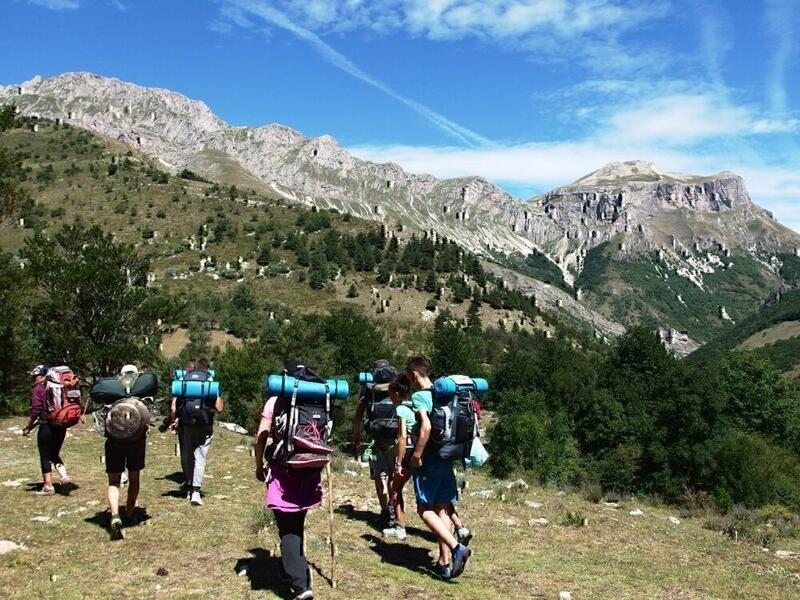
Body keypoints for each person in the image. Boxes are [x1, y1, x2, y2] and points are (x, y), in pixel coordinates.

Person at [255, 360, 323, 600]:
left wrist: (258, 464)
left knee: (287, 528)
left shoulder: (276, 401)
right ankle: (288, 568)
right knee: (297, 520)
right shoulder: (316, 399)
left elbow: (262, 435)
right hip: (311, 469)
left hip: (283, 469)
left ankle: (301, 584)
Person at [406, 355, 471, 579]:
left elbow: (425, 427)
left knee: (424, 510)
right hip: (447, 456)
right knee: (442, 508)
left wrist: (416, 455)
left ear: (414, 374)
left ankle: (456, 548)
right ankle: (443, 562)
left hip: (430, 459)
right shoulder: (447, 393)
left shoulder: (420, 396)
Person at [170, 356, 223, 506]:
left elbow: (174, 407)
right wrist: (217, 395)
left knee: (187, 455)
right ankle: (196, 491)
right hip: (204, 425)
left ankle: (188, 484)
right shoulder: (210, 382)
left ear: (194, 367)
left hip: (185, 425)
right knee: (200, 456)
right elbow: (219, 408)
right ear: (207, 368)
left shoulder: (184, 380)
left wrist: (174, 421)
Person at [352, 359, 399, 528]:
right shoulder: (396, 384)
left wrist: (356, 431)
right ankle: (395, 508)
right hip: (396, 437)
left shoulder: (370, 386)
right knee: (395, 473)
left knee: (379, 474)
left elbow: (359, 410)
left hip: (376, 437)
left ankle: (385, 511)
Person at [105, 364, 148, 541]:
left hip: (114, 442)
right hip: (136, 443)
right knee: (134, 478)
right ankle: (130, 513)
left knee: (114, 482)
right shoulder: (142, 393)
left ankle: (115, 515)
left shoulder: (112, 394)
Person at [22, 365, 72, 496]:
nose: (33, 378)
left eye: (35, 376)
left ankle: (48, 486)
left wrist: (28, 426)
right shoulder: (60, 387)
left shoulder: (38, 389)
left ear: (42, 376)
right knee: (54, 453)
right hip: (61, 424)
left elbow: (36, 411)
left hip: (47, 425)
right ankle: (64, 476)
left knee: (45, 455)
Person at [381, 373, 415, 540]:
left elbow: (403, 437)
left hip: (408, 453)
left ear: (395, 394)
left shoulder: (401, 409)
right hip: (418, 451)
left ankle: (400, 526)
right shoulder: (412, 406)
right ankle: (458, 527)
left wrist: (398, 463)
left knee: (395, 487)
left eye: (389, 393)